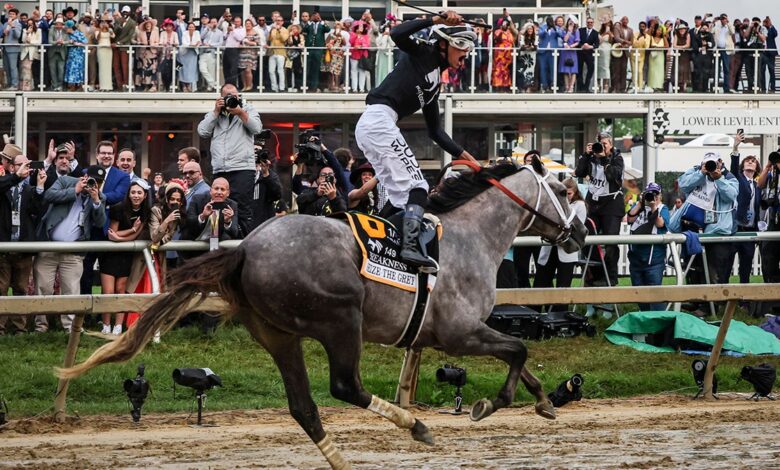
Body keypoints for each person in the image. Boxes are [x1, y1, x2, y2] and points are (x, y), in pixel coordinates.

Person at [354, 12, 478, 271]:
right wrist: (435, 21)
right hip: (378, 120)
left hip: (376, 125)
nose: (466, 55)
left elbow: (436, 132)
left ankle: (376, 244)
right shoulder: (424, 53)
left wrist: (471, 161)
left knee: (401, 196)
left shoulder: (435, 85)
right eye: (463, 47)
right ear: (445, 43)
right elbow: (398, 34)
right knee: (418, 187)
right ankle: (409, 249)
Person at [35, 165, 107, 333]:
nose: (92, 184)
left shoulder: (99, 197)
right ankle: (41, 327)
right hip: (49, 245)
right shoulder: (66, 181)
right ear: (85, 176)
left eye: (97, 182)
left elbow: (100, 223)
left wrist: (96, 201)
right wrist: (75, 190)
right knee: (43, 287)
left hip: (74, 252)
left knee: (71, 290)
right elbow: (49, 195)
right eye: (91, 180)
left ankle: (70, 327)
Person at [197, 84, 262, 236]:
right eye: (228, 96)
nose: (232, 99)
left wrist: (240, 112)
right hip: (220, 169)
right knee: (217, 207)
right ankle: (218, 244)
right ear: (220, 98)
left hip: (242, 168)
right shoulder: (215, 114)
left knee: (242, 208)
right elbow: (202, 131)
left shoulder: (248, 109)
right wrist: (215, 112)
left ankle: (243, 243)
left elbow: (257, 128)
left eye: (234, 95)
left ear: (239, 96)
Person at [0, 151, 45, 335]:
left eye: (27, 165)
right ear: (11, 167)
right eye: (21, 164)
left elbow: (36, 210)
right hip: (3, 248)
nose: (25, 168)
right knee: (1, 290)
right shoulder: (3, 186)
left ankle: (19, 328)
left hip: (23, 247)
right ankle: (0, 328)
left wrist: (40, 188)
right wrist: (15, 177)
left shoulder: (28, 189)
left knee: (20, 289)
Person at [79, 141, 131, 297]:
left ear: (113, 156)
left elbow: (119, 196)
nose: (106, 156)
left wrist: (96, 195)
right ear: (97, 155)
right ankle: (85, 312)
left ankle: (106, 315)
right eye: (103, 153)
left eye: (109, 153)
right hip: (88, 228)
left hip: (110, 229)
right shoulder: (86, 172)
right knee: (85, 271)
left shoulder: (122, 176)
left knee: (108, 273)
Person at [100, 180, 151, 335]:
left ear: (145, 195)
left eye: (139, 193)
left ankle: (118, 325)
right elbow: (112, 233)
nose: (136, 196)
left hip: (127, 254)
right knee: (108, 291)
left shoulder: (146, 212)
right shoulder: (118, 208)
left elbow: (135, 235)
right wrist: (130, 231)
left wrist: (123, 237)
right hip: (110, 254)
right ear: (128, 194)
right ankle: (106, 324)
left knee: (121, 289)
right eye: (133, 192)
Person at [574, 132, 624, 286]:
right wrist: (585, 155)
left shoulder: (617, 158)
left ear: (611, 145)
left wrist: (603, 158)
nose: (601, 147)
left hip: (611, 202)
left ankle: (611, 277)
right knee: (588, 239)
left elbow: (613, 175)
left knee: (610, 242)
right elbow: (579, 173)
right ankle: (595, 276)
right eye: (599, 144)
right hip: (593, 202)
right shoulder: (591, 157)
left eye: (605, 144)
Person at [533, 178, 587, 313]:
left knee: (563, 287)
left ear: (575, 193)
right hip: (549, 248)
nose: (567, 197)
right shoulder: (554, 204)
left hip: (566, 250)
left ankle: (560, 319)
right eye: (565, 193)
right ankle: (534, 315)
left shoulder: (579, 205)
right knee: (540, 283)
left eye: (569, 194)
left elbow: (576, 228)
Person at [626, 182, 670, 312]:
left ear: (660, 196)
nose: (652, 197)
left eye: (655, 194)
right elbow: (629, 219)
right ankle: (645, 317)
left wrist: (653, 207)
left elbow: (661, 224)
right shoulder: (639, 206)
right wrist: (640, 203)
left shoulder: (663, 208)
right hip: (636, 259)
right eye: (649, 194)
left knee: (655, 293)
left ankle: (658, 321)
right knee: (638, 290)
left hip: (654, 259)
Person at [727, 133, 761, 285]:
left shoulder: (758, 185)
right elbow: (734, 167)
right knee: (727, 265)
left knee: (746, 267)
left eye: (753, 161)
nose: (750, 162)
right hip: (736, 228)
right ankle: (722, 300)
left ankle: (744, 301)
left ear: (757, 167)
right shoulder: (738, 178)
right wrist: (735, 146)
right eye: (748, 160)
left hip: (750, 230)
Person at [182, 177, 240, 244]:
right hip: (195, 239)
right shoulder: (197, 199)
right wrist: (203, 216)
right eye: (216, 189)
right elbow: (188, 223)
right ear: (210, 191)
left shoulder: (232, 205)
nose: (219, 192)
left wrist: (227, 221)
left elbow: (235, 233)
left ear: (228, 193)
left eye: (222, 189)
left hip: (216, 244)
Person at [149, 180, 186, 277]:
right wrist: (166, 221)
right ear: (166, 199)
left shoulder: (180, 214)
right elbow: (155, 237)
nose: (175, 202)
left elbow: (169, 236)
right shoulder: (156, 210)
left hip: (173, 254)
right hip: (153, 254)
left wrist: (159, 243)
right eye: (172, 199)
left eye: (178, 200)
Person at [758, 152, 780, 284]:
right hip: (774, 217)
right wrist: (767, 167)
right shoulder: (773, 174)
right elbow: (760, 184)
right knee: (770, 253)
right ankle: (771, 283)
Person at [249, 152, 282, 230]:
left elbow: (277, 195)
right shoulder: (243, 175)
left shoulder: (270, 175)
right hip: (247, 222)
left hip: (264, 224)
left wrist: (266, 174)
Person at [303, 10, 330, 92]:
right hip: (310, 49)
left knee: (316, 69)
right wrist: (309, 21)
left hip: (318, 49)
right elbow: (304, 29)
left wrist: (321, 21)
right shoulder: (309, 25)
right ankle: (307, 86)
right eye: (314, 16)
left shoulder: (322, 25)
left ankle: (314, 87)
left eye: (317, 16)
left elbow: (328, 30)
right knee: (308, 68)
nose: (316, 17)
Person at [112, 6, 137, 90]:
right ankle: (119, 85)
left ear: (129, 13)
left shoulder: (132, 23)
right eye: (124, 12)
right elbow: (114, 33)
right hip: (116, 47)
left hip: (125, 47)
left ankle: (126, 84)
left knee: (124, 66)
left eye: (126, 12)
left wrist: (120, 42)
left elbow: (129, 36)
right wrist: (119, 25)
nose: (125, 13)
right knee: (116, 66)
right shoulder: (118, 20)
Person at [491, 17, 517, 92]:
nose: (505, 25)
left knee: (506, 71)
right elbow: (497, 40)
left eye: (506, 24)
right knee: (498, 70)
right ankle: (498, 87)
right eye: (503, 24)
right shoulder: (497, 31)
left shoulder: (510, 33)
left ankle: (505, 87)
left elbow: (512, 41)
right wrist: (501, 31)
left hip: (508, 55)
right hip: (499, 55)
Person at [538, 16, 562, 92]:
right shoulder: (542, 27)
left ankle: (553, 84)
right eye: (548, 21)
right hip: (543, 51)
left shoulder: (556, 27)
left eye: (551, 20)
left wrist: (554, 28)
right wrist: (546, 30)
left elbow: (561, 35)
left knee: (553, 68)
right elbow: (540, 34)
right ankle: (544, 85)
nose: (549, 22)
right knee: (543, 68)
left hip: (553, 51)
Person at [199, 17, 223, 92]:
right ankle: (213, 83)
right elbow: (201, 37)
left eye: (215, 22)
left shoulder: (219, 32)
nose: (213, 23)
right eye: (212, 22)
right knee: (202, 69)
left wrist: (211, 45)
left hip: (212, 53)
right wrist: (207, 29)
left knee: (211, 71)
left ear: (217, 23)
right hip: (203, 53)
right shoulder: (206, 30)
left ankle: (210, 87)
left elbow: (220, 43)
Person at [611, 16, 633, 93]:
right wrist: (626, 42)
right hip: (617, 51)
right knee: (616, 70)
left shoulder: (630, 30)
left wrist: (626, 44)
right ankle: (616, 88)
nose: (625, 21)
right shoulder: (617, 28)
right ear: (621, 20)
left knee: (624, 70)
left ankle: (622, 89)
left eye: (626, 19)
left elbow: (631, 42)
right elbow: (617, 38)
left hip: (625, 52)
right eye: (623, 19)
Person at [713, 14, 735, 93]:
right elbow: (710, 32)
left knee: (726, 69)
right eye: (722, 19)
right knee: (716, 69)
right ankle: (715, 87)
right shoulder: (717, 27)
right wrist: (713, 22)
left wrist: (728, 22)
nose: (723, 20)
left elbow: (733, 32)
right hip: (718, 49)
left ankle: (726, 88)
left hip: (726, 50)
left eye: (724, 18)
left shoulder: (729, 26)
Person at [267, 15, 289, 92]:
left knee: (280, 70)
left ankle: (281, 87)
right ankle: (274, 87)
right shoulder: (273, 29)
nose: (278, 22)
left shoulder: (285, 30)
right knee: (271, 70)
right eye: (277, 20)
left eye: (280, 20)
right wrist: (271, 31)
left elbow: (284, 39)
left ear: (282, 22)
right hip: (272, 52)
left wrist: (279, 30)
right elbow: (269, 39)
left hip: (281, 52)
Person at [3, 8, 22, 90]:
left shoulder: (18, 24)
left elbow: (17, 36)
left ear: (16, 15)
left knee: (13, 67)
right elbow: (2, 34)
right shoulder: (5, 23)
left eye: (13, 14)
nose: (11, 15)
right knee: (6, 68)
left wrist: (12, 26)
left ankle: (15, 85)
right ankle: (9, 84)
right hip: (5, 48)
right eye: (10, 14)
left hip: (13, 48)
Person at [222, 15, 245, 87]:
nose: (236, 23)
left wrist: (233, 31)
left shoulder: (242, 30)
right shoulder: (230, 28)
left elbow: (240, 38)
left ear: (241, 22)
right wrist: (228, 32)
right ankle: (227, 84)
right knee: (226, 68)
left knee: (233, 69)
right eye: (235, 22)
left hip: (234, 49)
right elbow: (224, 38)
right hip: (227, 49)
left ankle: (233, 85)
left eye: (238, 22)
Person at [578, 17, 599, 92]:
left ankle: (586, 87)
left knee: (591, 69)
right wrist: (582, 46)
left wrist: (590, 46)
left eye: (591, 22)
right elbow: (577, 40)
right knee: (579, 70)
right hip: (580, 53)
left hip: (589, 54)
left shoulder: (595, 33)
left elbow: (597, 44)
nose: (590, 23)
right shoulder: (581, 30)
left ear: (593, 23)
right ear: (586, 23)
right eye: (588, 22)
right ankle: (580, 87)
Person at [350, 21, 372, 93]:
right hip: (354, 55)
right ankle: (354, 88)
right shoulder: (353, 34)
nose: (361, 28)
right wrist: (357, 35)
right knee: (354, 71)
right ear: (356, 28)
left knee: (362, 71)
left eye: (362, 27)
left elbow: (368, 45)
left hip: (363, 56)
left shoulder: (366, 36)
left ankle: (361, 88)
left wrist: (361, 45)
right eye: (359, 26)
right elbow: (351, 42)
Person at [559, 17, 580, 93]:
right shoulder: (564, 30)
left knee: (573, 70)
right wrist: (569, 31)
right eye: (569, 21)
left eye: (572, 22)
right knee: (566, 70)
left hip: (572, 51)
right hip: (565, 51)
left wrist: (571, 46)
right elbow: (564, 39)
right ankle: (567, 87)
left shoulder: (576, 31)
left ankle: (571, 87)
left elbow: (577, 42)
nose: (571, 23)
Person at [238, 18, 259, 92]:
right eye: (246, 24)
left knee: (248, 70)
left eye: (249, 24)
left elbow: (256, 43)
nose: (248, 25)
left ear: (252, 25)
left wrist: (248, 42)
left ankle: (250, 85)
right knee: (242, 70)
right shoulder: (242, 33)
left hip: (251, 54)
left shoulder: (255, 33)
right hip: (242, 53)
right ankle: (244, 86)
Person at [20, 19, 41, 91]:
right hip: (25, 52)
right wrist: (27, 33)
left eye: (31, 24)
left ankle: (35, 86)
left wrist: (31, 41)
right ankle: (25, 87)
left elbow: (39, 41)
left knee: (34, 71)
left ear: (34, 24)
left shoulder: (38, 30)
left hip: (34, 53)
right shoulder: (24, 30)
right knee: (25, 70)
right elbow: (23, 40)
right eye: (28, 24)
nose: (30, 25)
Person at [179, 22, 201, 92]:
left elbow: (198, 41)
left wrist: (194, 44)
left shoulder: (197, 32)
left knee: (191, 70)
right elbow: (184, 42)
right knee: (183, 69)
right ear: (188, 28)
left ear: (195, 28)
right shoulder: (185, 33)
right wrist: (191, 44)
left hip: (193, 53)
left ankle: (189, 85)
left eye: (192, 27)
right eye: (190, 27)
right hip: (184, 53)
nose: (191, 28)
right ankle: (184, 86)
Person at [48, 18, 68, 91]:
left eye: (60, 24)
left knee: (61, 70)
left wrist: (63, 42)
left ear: (62, 25)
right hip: (52, 52)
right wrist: (56, 42)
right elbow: (49, 41)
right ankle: (54, 85)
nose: (58, 25)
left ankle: (60, 85)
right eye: (57, 24)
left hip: (62, 52)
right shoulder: (52, 30)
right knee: (52, 70)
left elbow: (68, 41)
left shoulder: (65, 31)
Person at [95, 18, 115, 91]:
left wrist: (109, 30)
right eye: (102, 23)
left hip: (108, 49)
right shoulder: (97, 30)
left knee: (108, 67)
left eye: (105, 23)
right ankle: (102, 86)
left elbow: (113, 36)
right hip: (101, 48)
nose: (104, 24)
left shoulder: (109, 30)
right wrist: (101, 30)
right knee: (102, 67)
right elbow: (97, 38)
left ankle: (108, 86)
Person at [647, 23, 668, 91]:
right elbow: (648, 44)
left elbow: (667, 46)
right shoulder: (651, 37)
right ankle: (651, 86)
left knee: (660, 71)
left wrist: (658, 47)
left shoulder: (663, 38)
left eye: (661, 30)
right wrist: (652, 26)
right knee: (652, 71)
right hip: (652, 56)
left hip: (660, 56)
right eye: (658, 30)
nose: (659, 32)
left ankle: (659, 86)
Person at [326, 24, 347, 92]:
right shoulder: (331, 35)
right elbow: (326, 44)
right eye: (336, 27)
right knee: (331, 71)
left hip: (339, 56)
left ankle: (337, 86)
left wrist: (341, 36)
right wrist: (333, 41)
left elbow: (344, 43)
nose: (338, 29)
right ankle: (331, 86)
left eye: (339, 28)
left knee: (337, 71)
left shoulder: (341, 36)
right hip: (332, 55)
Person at [517, 24, 536, 93]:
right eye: (528, 29)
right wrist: (529, 47)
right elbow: (521, 47)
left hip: (531, 57)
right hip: (524, 56)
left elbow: (535, 47)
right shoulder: (522, 37)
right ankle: (521, 87)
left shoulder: (535, 37)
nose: (530, 30)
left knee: (530, 72)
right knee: (522, 71)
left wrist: (528, 47)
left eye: (531, 29)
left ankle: (528, 87)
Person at [761, 17, 777, 93]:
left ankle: (773, 88)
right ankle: (763, 88)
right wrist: (762, 26)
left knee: (772, 70)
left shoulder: (771, 30)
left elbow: (775, 34)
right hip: (763, 53)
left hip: (771, 54)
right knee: (762, 71)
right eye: (765, 22)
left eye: (767, 22)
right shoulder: (761, 29)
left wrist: (771, 25)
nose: (766, 23)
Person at [286, 24, 304, 90]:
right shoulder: (289, 36)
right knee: (289, 70)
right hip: (290, 55)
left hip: (298, 55)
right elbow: (289, 43)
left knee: (298, 70)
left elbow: (302, 44)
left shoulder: (301, 36)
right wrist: (290, 35)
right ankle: (289, 86)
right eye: (292, 29)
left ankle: (297, 86)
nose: (294, 30)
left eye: (295, 29)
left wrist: (298, 46)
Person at [596, 20, 612, 93]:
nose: (607, 25)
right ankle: (598, 85)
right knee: (598, 67)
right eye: (605, 24)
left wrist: (609, 33)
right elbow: (599, 40)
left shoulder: (611, 32)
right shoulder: (600, 32)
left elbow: (612, 40)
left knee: (606, 67)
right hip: (599, 49)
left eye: (608, 24)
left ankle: (606, 85)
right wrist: (605, 32)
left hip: (606, 50)